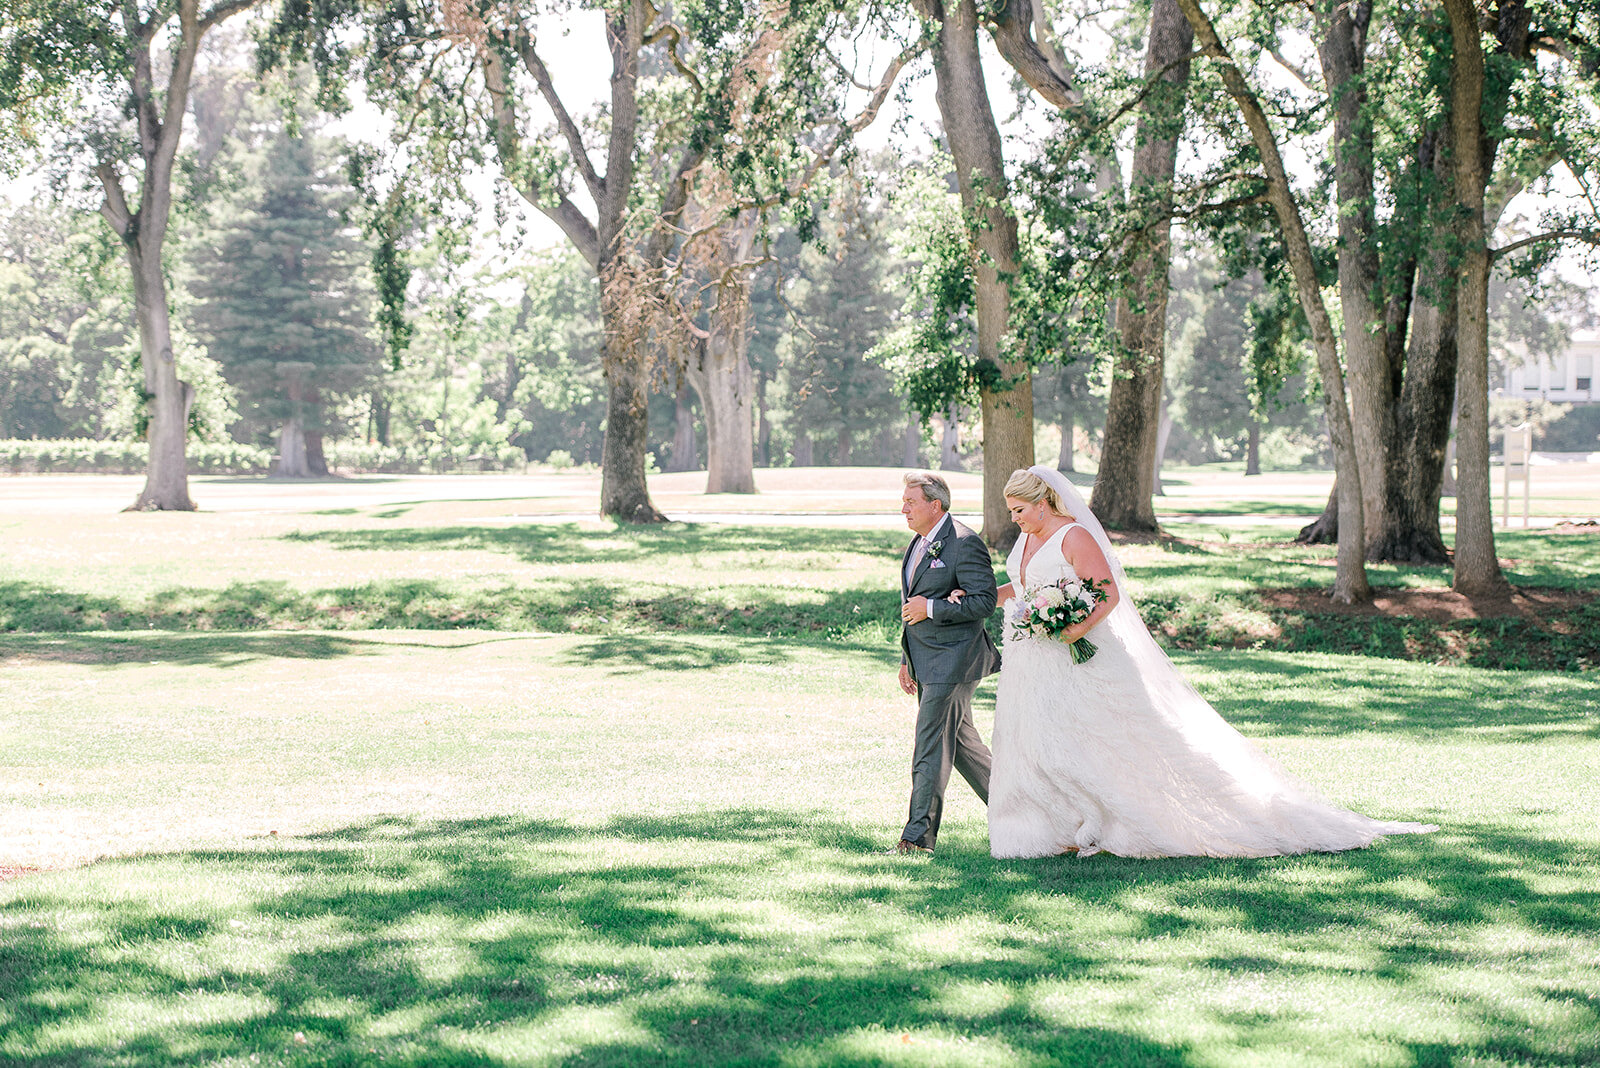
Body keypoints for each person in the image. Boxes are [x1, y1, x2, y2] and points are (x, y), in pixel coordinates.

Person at [973, 465, 1437, 859]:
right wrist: (985, 598)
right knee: (1039, 737)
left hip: (1080, 656)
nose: (1014, 520)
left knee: (1102, 734)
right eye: (1012, 512)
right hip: (1032, 657)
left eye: (1019, 511)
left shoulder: (1073, 535)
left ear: (1043, 502)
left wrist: (1073, 628)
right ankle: (1052, 825)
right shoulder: (1027, 540)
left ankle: (1122, 818)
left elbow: (1107, 591)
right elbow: (1025, 583)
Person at [892, 471, 1001, 855]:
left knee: (930, 746)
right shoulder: (919, 543)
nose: (903, 508)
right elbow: (911, 608)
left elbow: (984, 601)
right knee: (966, 749)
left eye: (910, 501)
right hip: (927, 661)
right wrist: (908, 660)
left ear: (934, 505)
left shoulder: (964, 543)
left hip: (955, 661)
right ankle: (1023, 814)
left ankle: (916, 840)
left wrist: (934, 607)